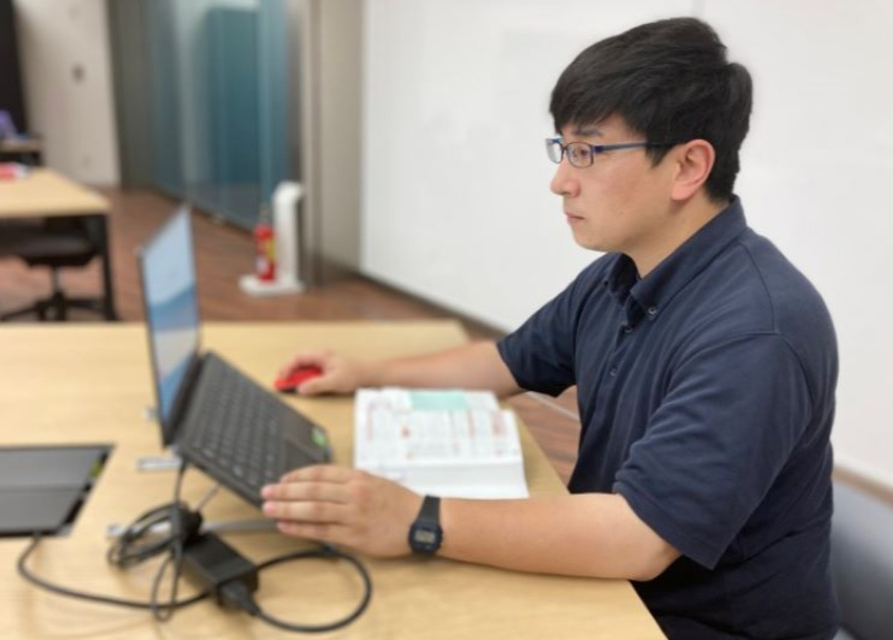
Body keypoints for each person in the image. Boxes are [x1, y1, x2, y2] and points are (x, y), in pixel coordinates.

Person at [261, 17, 839, 640]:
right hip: (612, 588)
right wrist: (366, 373)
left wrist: (416, 519)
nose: (560, 180)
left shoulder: (756, 332)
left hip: (689, 622)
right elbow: (506, 362)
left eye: (587, 152)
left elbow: (639, 538)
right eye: (562, 149)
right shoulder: (624, 271)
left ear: (687, 166)